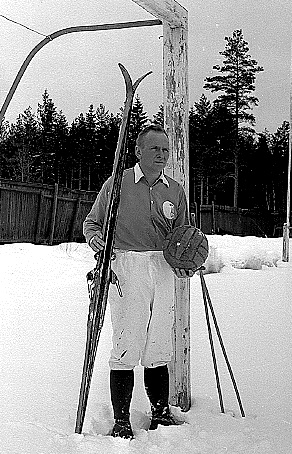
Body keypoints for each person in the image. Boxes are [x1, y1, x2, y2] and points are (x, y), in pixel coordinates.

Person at [83, 123, 193, 439]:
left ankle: (160, 414)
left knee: (158, 341)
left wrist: (187, 260)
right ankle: (121, 421)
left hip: (162, 266)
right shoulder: (117, 184)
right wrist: (96, 241)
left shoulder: (174, 189)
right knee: (127, 342)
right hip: (127, 265)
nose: (161, 155)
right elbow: (92, 223)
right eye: (155, 148)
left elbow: (184, 236)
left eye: (165, 150)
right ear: (138, 151)